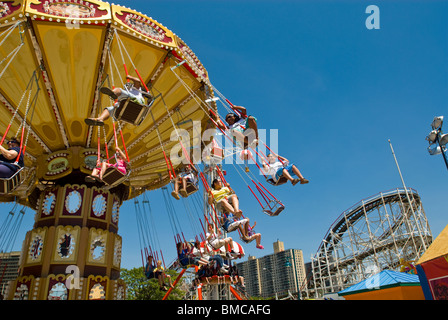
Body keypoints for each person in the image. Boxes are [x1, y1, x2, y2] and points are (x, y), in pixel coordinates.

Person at [85, 75, 153, 126]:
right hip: (132, 112)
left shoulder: (137, 90)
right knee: (109, 109)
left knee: (120, 90)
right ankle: (100, 119)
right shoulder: (134, 93)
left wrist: (130, 77)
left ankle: (113, 92)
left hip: (134, 101)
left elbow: (138, 81)